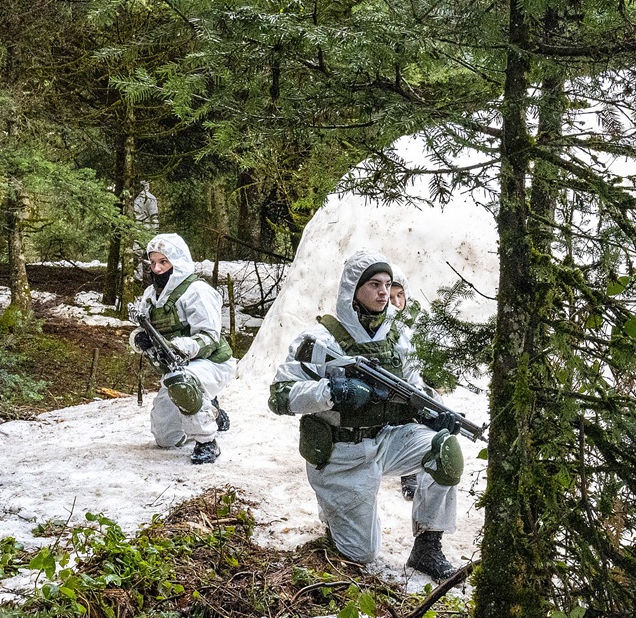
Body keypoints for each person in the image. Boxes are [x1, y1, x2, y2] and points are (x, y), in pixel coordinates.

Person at [268, 250, 462, 579]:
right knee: (361, 553)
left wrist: (434, 412)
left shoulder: (399, 339)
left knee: (444, 451)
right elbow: (279, 396)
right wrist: (330, 393)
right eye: (373, 284)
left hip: (387, 440)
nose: (383, 292)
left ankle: (427, 548)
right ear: (352, 290)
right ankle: (335, 513)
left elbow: (415, 388)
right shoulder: (320, 340)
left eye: (387, 284)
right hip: (342, 454)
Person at [129, 233, 234, 464]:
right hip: (175, 370)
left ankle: (207, 442)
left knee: (184, 383)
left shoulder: (197, 291)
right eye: (153, 262)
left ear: (178, 261)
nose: (157, 269)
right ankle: (210, 411)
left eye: (163, 262)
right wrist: (140, 339)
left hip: (212, 363)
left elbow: (210, 336)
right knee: (166, 438)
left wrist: (178, 347)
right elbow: (141, 328)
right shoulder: (150, 296)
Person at [389, 266, 422, 503]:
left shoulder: (416, 321)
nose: (396, 302)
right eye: (390, 297)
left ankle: (410, 473)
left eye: (400, 296)